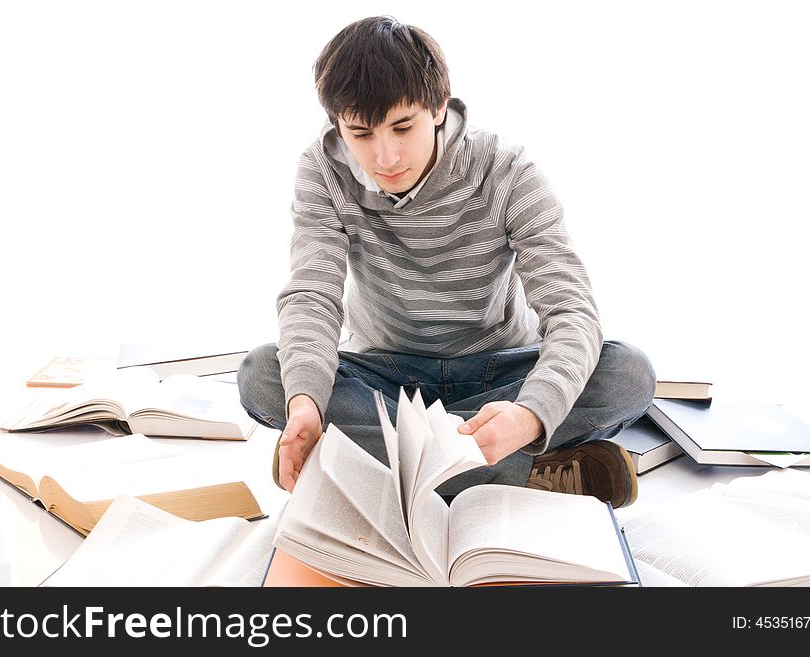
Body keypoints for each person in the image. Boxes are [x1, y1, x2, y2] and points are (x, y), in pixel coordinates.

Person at [238, 16, 655, 507]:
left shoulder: (507, 170)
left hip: (497, 370)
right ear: (338, 125)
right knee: (265, 374)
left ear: (437, 107)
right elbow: (313, 293)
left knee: (628, 373)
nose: (385, 156)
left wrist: (528, 415)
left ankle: (375, 461)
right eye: (361, 133)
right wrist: (306, 404)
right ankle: (518, 473)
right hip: (387, 372)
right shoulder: (321, 170)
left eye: (402, 127)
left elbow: (571, 309)